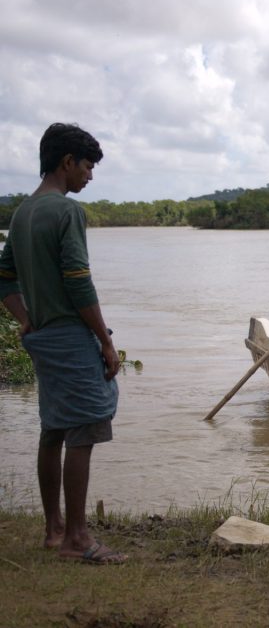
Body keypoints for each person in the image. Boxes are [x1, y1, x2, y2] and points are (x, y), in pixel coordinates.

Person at [0, 123, 126, 564]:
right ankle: (77, 538)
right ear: (66, 162)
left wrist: (26, 319)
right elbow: (78, 279)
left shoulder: (21, 213)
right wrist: (104, 341)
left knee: (53, 427)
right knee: (85, 428)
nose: (89, 176)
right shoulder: (66, 212)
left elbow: (4, 276)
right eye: (87, 166)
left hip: (43, 338)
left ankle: (54, 528)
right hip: (71, 336)